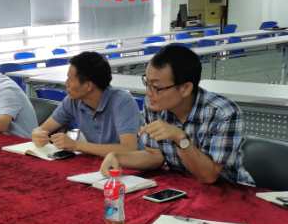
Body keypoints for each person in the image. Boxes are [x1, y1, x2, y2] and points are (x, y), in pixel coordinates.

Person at [101, 44, 254, 185]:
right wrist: (118, 157)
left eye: (157, 87)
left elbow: (209, 176)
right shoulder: (155, 105)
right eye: (147, 83)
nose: (149, 93)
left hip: (228, 191)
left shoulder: (223, 113)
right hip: (182, 186)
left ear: (185, 88)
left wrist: (180, 138)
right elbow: (155, 156)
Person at [31, 51, 141, 157]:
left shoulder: (122, 102)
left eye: (70, 79)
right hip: (98, 161)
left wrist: (77, 145)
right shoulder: (73, 101)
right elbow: (43, 129)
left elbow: (129, 149)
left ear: (88, 86)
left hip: (126, 165)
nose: (66, 83)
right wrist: (37, 134)